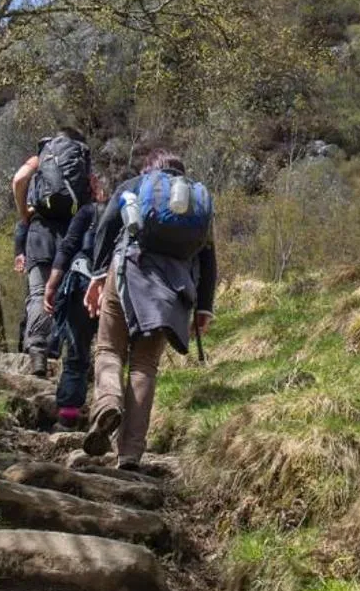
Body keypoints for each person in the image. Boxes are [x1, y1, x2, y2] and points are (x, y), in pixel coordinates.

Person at [83, 142, 214, 469]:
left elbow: (108, 224)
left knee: (109, 348)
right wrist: (204, 308)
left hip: (129, 269)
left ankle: (108, 402)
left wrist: (97, 277)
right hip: (173, 289)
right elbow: (208, 258)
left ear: (150, 169)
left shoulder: (136, 185)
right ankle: (129, 454)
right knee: (144, 366)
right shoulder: (194, 202)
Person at [12, 128, 93, 376]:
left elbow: (18, 180)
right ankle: (68, 356)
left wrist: (24, 213)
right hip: (73, 231)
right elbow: (95, 196)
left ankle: (37, 354)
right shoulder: (82, 162)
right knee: (68, 293)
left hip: (40, 229)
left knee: (38, 292)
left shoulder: (41, 158)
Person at [43, 190, 102, 429]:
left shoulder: (89, 211)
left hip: (82, 284)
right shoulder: (132, 210)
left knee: (77, 349)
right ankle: (110, 411)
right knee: (115, 355)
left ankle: (68, 415)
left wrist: (51, 285)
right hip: (120, 287)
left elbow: (67, 247)